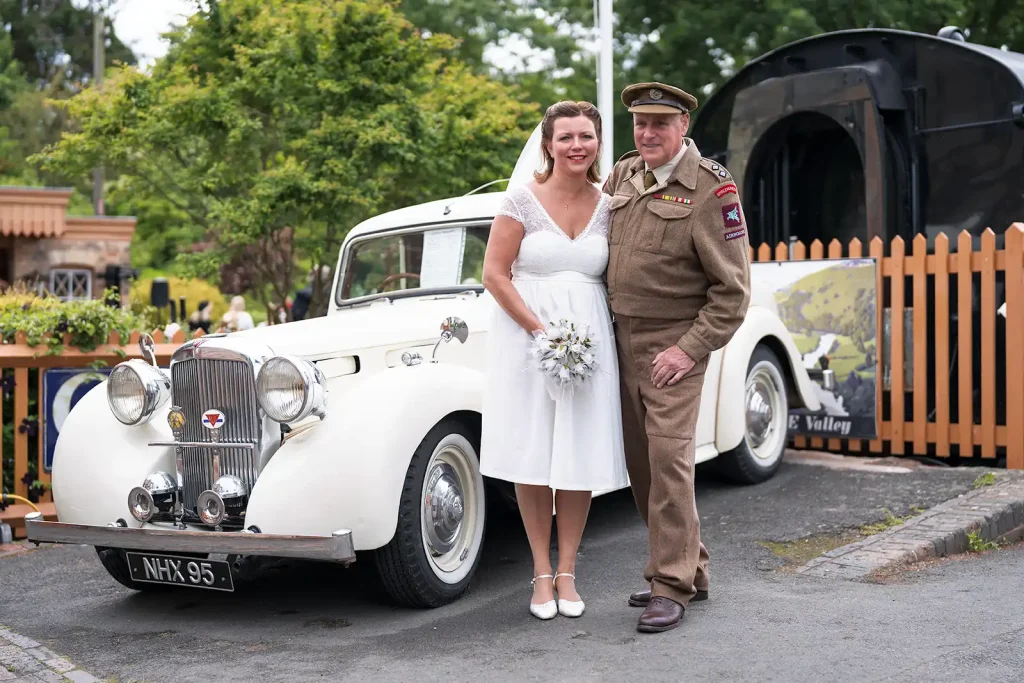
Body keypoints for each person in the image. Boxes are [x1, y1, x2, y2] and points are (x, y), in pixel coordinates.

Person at [602, 82, 751, 633]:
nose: (647, 134)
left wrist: (687, 351)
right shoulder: (623, 175)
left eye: (660, 124)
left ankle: (670, 584)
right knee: (642, 468)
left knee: (668, 462)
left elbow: (732, 293)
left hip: (673, 348)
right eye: (640, 124)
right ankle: (695, 568)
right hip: (622, 343)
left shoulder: (712, 191)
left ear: (682, 126)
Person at [480, 100, 628, 621]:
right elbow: (495, 275)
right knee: (534, 453)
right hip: (528, 341)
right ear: (548, 144)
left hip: (590, 343)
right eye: (565, 137)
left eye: (585, 136)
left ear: (597, 143)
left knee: (577, 452)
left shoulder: (611, 204)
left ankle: (569, 571)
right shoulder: (520, 201)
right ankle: (540, 572)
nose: (576, 146)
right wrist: (541, 333)